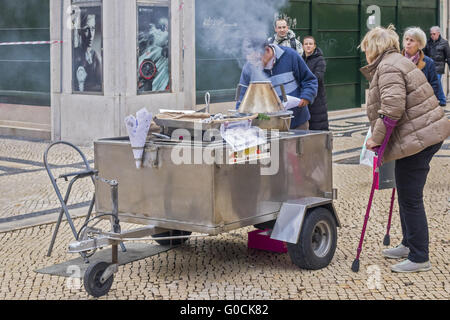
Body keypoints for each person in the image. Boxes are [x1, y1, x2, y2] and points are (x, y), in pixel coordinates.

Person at [359, 25, 450, 273]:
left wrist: (375, 140)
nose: (364, 52)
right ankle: (409, 244)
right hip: (421, 134)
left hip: (419, 138)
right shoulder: (395, 61)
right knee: (406, 193)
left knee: (411, 198)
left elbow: (392, 108)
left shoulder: (388, 67)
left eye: (366, 47)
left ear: (374, 48)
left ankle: (420, 256)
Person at [236, 40, 318, 130]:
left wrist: (306, 97)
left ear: (267, 50)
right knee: (274, 145)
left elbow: (309, 80)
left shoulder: (290, 55)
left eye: (258, 60)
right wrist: (240, 119)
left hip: (297, 121)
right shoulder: (249, 66)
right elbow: (242, 97)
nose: (256, 64)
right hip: (266, 125)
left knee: (298, 144)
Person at [402, 27, 441, 101]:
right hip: (402, 104)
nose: (408, 42)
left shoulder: (428, 62)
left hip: (421, 104)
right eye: (406, 39)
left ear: (419, 44)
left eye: (412, 40)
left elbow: (434, 85)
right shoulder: (398, 59)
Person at [302, 36, 329, 130]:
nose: (308, 46)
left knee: (318, 124)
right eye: (306, 44)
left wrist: (303, 80)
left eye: (310, 44)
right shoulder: (301, 59)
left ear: (314, 46)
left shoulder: (320, 60)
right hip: (304, 96)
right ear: (302, 46)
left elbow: (318, 77)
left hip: (317, 97)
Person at [73, 13, 102, 92]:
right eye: (86, 30)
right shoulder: (73, 55)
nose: (91, 35)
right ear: (79, 31)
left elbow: (101, 87)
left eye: (92, 29)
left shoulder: (95, 57)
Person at [423, 26, 450, 106]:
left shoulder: (444, 43)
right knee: (430, 84)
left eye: (434, 34)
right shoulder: (427, 43)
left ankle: (442, 100)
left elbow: (448, 57)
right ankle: (435, 100)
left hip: (439, 67)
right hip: (429, 67)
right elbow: (423, 54)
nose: (432, 36)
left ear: (438, 33)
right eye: (431, 34)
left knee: (437, 82)